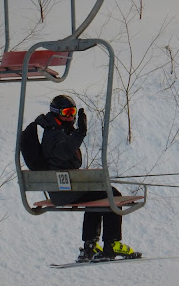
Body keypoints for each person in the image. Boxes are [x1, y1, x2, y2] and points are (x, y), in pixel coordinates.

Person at [34, 94, 141, 262]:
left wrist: (74, 133)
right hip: (65, 191)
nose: (71, 116)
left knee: (98, 197)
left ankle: (90, 245)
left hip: (63, 190)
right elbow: (64, 152)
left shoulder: (56, 132)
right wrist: (80, 133)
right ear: (56, 113)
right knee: (111, 194)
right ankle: (111, 243)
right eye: (66, 112)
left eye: (72, 112)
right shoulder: (54, 134)